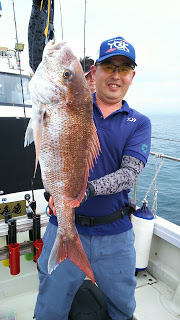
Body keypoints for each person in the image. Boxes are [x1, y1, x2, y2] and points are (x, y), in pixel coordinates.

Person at [34, 36, 151, 320]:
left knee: (122, 305)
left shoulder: (140, 123)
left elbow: (129, 173)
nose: (115, 74)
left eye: (123, 69)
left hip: (116, 235)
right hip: (61, 224)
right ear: (94, 71)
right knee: (51, 304)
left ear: (131, 76)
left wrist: (86, 190)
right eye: (109, 65)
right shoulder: (73, 105)